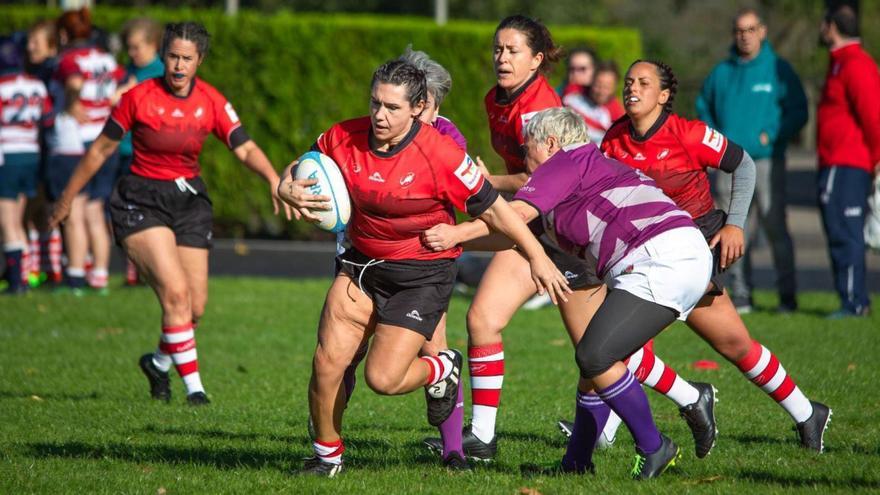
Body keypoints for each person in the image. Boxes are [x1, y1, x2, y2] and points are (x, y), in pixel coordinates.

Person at [422, 16, 717, 463]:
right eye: (497, 49)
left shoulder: (548, 127)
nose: (502, 57)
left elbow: (525, 193)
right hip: (546, 223)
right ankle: (488, 438)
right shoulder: (496, 101)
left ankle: (681, 404)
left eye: (513, 50)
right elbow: (521, 219)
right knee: (490, 321)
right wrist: (457, 242)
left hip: (586, 236)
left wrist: (463, 222)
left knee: (598, 356)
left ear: (538, 59)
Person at [277, 59, 569, 477]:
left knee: (383, 378)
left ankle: (442, 367)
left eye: (392, 108)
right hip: (360, 265)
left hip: (420, 275)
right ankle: (328, 458)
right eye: (375, 103)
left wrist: (538, 257)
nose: (379, 115)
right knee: (327, 364)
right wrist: (285, 185)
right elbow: (305, 163)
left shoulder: (441, 154)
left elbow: (496, 211)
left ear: (417, 108)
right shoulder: (345, 134)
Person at [48, 21, 289, 406]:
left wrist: (273, 179)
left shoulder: (210, 100)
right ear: (163, 57)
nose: (178, 66)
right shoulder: (138, 97)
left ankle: (159, 362)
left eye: (187, 59)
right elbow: (99, 150)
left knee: (194, 306)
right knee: (175, 295)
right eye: (173, 56)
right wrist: (66, 198)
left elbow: (243, 147)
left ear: (199, 61)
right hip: (140, 201)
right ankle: (196, 390)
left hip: (189, 200)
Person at [598, 59, 830, 452]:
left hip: (693, 249)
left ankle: (799, 413)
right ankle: (606, 430)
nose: (632, 88)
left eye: (644, 82)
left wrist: (735, 224)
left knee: (733, 347)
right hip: (646, 252)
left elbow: (745, 165)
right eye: (628, 81)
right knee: (626, 342)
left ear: (665, 95)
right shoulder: (614, 139)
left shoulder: (688, 133)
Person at [697, 7, 807, 313]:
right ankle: (742, 295)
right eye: (739, 31)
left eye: (751, 29)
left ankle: (787, 297)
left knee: (774, 226)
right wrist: (716, 139)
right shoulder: (721, 73)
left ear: (763, 31)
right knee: (732, 228)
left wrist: (771, 135)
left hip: (766, 161)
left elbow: (799, 111)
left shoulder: (778, 69)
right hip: (728, 165)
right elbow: (703, 108)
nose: (745, 36)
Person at [49, 8, 125, 293]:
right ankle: (101, 275)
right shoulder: (106, 58)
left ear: (65, 34)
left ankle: (76, 275)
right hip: (105, 139)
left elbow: (74, 82)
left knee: (75, 209)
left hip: (76, 141)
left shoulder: (70, 58)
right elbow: (125, 82)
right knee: (96, 212)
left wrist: (72, 101)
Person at [817, 4, 879, 319]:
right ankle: (849, 299)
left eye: (823, 24)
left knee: (846, 233)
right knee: (837, 230)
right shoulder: (839, 63)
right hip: (834, 163)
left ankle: (855, 303)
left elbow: (873, 114)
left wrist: (878, 158)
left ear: (831, 26)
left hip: (847, 164)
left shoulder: (856, 64)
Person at [0, 36, 51, 294]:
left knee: (6, 220)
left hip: (7, 155)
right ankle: (24, 274)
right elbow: (48, 118)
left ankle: (16, 281)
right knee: (18, 219)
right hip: (31, 153)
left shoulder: (2, 85)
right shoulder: (36, 84)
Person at [118, 17, 165, 286]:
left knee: (149, 212)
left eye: (137, 47)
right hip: (126, 151)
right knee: (130, 211)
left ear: (152, 45)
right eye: (129, 47)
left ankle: (150, 269)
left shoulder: (159, 72)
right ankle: (134, 270)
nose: (132, 53)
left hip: (148, 156)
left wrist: (127, 92)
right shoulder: (130, 69)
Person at [564, 60, 625, 144]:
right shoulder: (573, 93)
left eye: (607, 87)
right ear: (591, 80)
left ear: (614, 87)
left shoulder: (617, 114)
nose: (601, 91)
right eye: (598, 85)